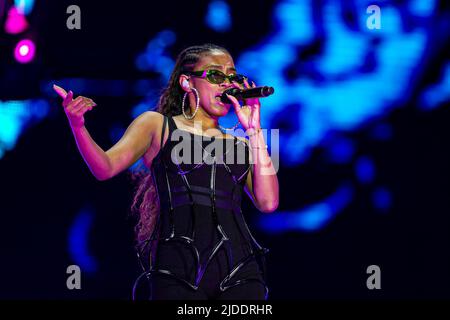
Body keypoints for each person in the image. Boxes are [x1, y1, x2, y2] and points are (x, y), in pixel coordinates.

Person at [53, 43, 279, 300]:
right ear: (187, 82)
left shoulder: (241, 143)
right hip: (178, 270)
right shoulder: (156, 125)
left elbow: (268, 202)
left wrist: (255, 130)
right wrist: (78, 126)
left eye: (232, 77)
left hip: (239, 269)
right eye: (216, 75)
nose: (226, 84)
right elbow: (105, 168)